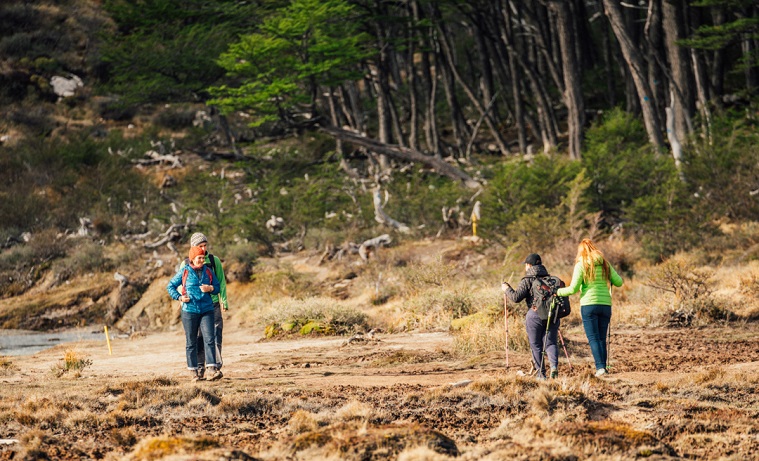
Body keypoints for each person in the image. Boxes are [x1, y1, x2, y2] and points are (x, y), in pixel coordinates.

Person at [556, 239, 624, 377]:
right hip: (605, 305)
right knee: (601, 338)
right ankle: (603, 367)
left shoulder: (581, 264)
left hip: (589, 305)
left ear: (581, 251)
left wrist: (557, 292)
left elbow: (573, 289)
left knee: (593, 338)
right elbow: (619, 282)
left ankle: (600, 368)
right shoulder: (605, 263)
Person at [502, 253, 561, 380]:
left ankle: (541, 374)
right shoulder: (550, 279)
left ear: (529, 265)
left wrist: (507, 289)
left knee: (536, 345)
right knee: (550, 343)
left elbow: (516, 298)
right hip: (552, 314)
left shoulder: (527, 279)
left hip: (534, 315)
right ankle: (554, 367)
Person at [168, 245, 222, 381]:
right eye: (199, 258)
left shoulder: (209, 271)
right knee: (191, 342)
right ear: (192, 258)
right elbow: (170, 286)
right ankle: (193, 372)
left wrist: (210, 288)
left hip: (207, 310)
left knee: (209, 339)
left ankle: (211, 370)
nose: (201, 260)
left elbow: (217, 287)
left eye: (203, 258)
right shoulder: (184, 271)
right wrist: (179, 297)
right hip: (189, 311)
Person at [182, 232, 229, 377]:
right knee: (198, 337)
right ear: (192, 247)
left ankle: (214, 366)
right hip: (194, 307)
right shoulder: (185, 264)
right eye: (199, 246)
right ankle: (200, 367)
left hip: (213, 305)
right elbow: (181, 284)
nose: (203, 249)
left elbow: (221, 282)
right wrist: (181, 298)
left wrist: (224, 301)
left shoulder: (214, 261)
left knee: (214, 336)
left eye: (204, 245)